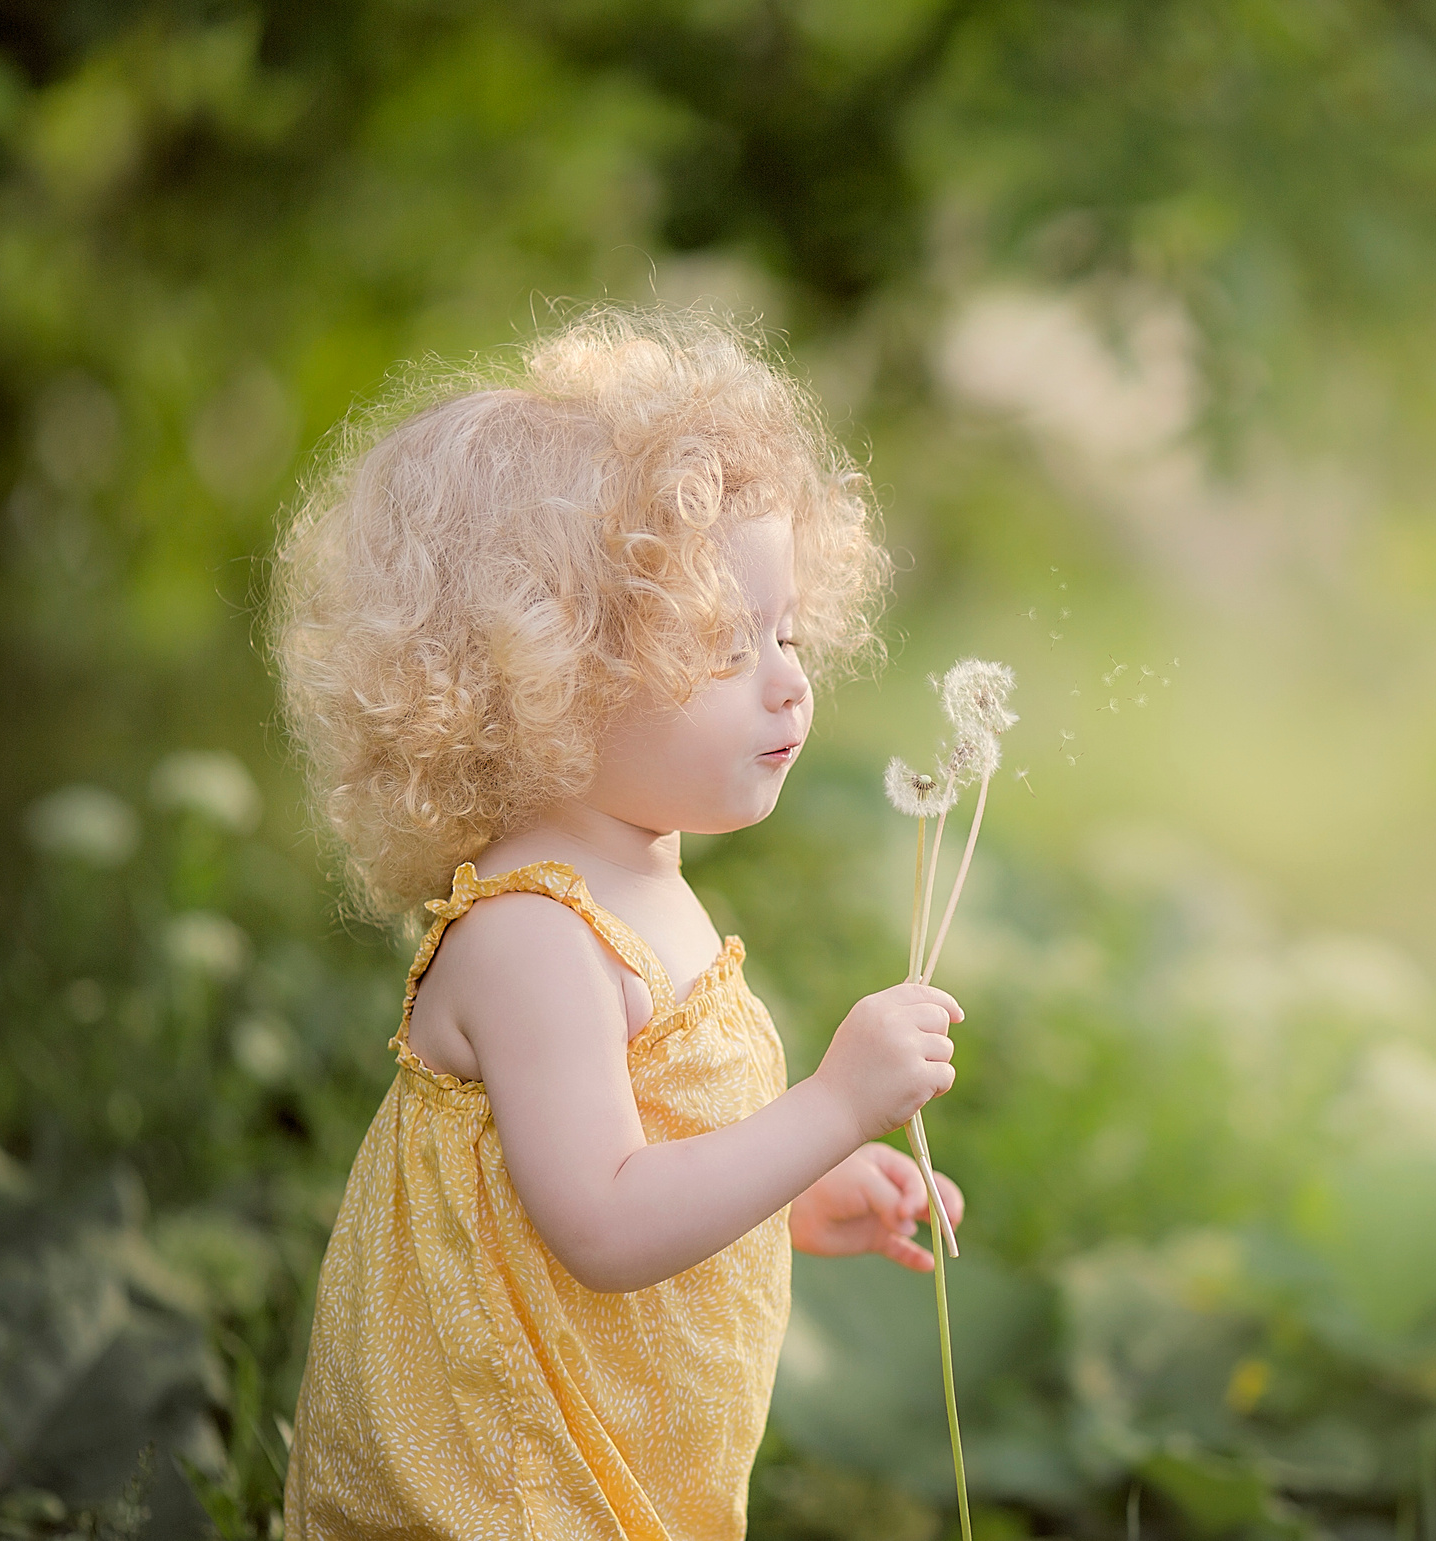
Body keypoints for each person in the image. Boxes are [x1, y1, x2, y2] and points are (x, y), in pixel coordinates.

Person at [269, 308, 962, 1538]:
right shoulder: (536, 935)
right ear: (547, 671)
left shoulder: (643, 880)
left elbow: (642, 1146)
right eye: (721, 642)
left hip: (610, 1463)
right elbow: (598, 1218)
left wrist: (797, 1184)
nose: (789, 676)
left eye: (787, 631)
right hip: (503, 1488)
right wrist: (827, 1104)